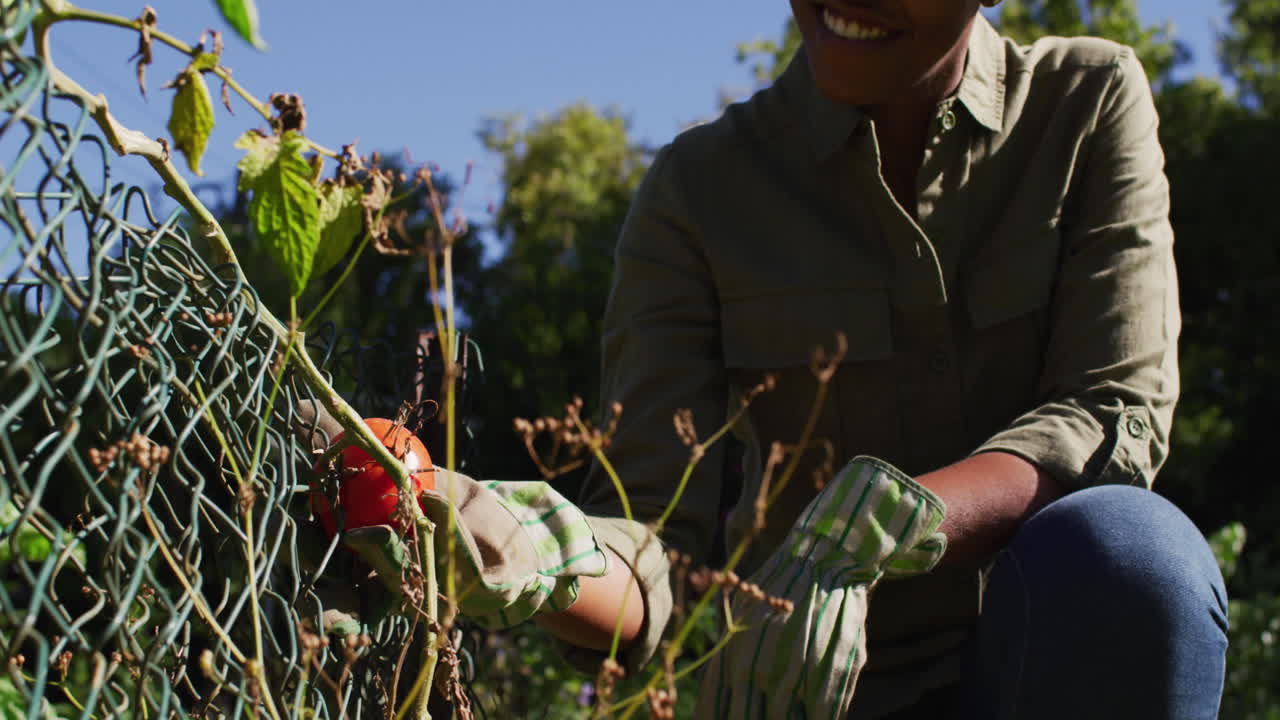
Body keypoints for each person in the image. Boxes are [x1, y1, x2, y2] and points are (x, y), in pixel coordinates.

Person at [320, 0, 1229, 717]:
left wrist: (885, 526)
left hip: (1041, 669)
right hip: (799, 699)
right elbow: (652, 545)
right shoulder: (698, 191)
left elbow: (1115, 415)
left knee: (1136, 559)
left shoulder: (1086, 103)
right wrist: (524, 550)